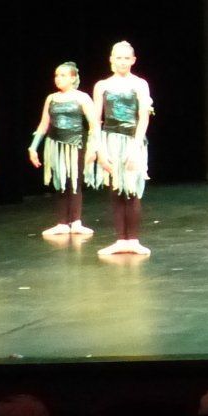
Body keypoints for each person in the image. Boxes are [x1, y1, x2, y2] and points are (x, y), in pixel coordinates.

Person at [88, 41, 153, 257]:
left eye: (127, 58)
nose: (122, 62)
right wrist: (100, 150)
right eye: (118, 57)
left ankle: (133, 239)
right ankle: (120, 239)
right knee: (116, 189)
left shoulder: (140, 84)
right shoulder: (102, 86)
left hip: (132, 139)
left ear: (133, 60)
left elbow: (143, 117)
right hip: (110, 139)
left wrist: (135, 147)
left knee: (132, 189)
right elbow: (96, 120)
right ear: (111, 60)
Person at [28, 62, 96, 238]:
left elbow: (94, 125)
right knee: (60, 182)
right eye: (56, 75)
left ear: (73, 78)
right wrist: (33, 147)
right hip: (55, 145)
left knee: (74, 181)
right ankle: (62, 223)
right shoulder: (51, 98)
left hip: (76, 145)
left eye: (63, 75)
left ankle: (76, 222)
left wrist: (93, 148)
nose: (58, 79)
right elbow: (44, 125)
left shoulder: (83, 98)